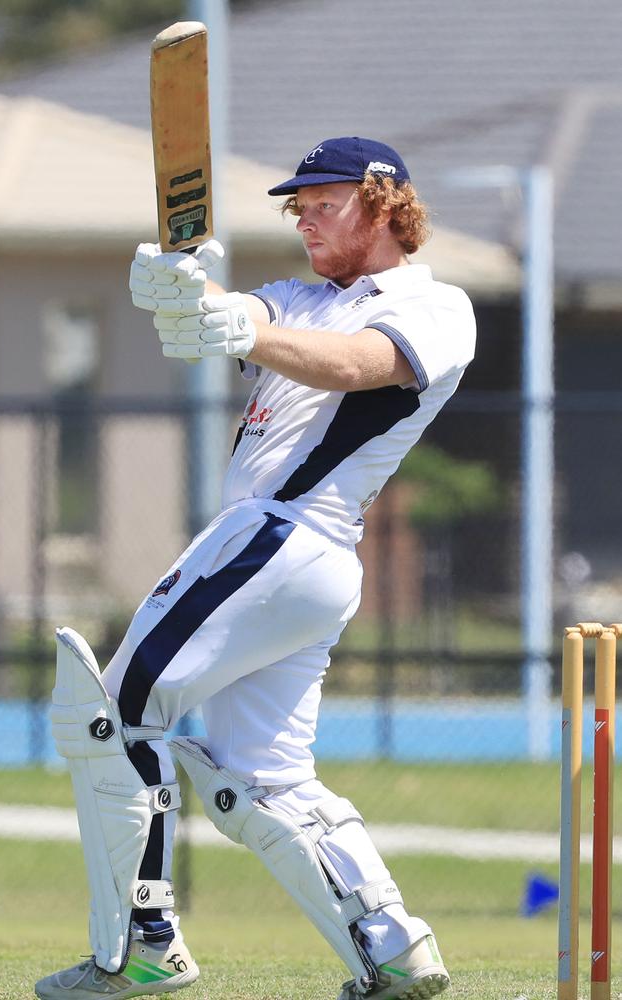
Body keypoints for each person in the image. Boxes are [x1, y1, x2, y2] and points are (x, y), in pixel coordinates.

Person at [35, 136, 476, 1000]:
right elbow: (220, 317)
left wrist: (250, 327)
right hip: (291, 557)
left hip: (286, 534)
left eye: (324, 201)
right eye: (296, 205)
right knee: (260, 775)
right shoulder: (293, 298)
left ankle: (143, 944)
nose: (303, 217)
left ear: (387, 204)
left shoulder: (437, 304)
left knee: (113, 715)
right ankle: (390, 951)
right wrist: (179, 287)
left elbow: (360, 366)